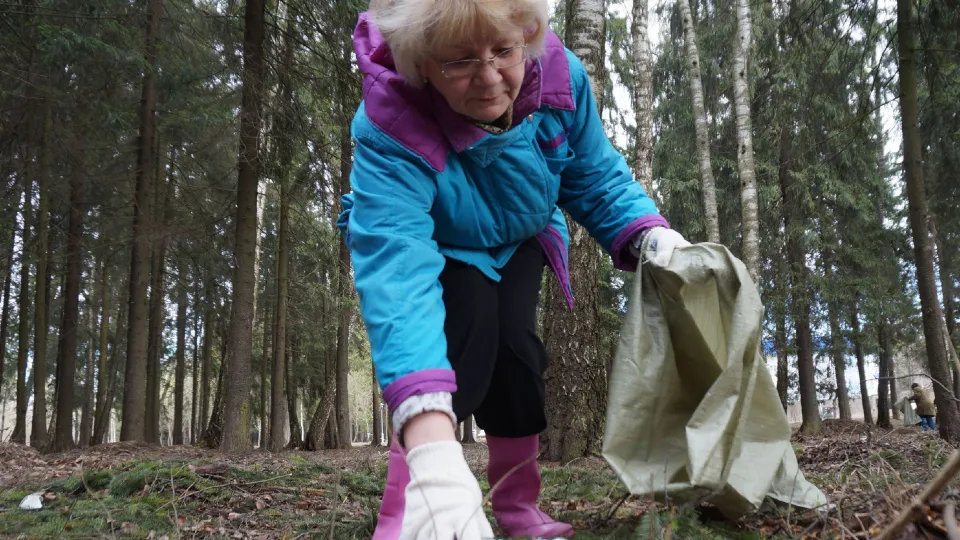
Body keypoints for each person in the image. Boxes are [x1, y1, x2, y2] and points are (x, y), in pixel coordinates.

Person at [337, 1, 689, 538]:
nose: (489, 77)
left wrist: (650, 235)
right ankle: (412, 505)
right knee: (465, 343)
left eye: (504, 50)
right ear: (421, 63)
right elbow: (399, 271)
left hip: (521, 234)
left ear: (526, 35)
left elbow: (594, 175)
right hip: (440, 241)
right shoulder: (391, 122)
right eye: (460, 61)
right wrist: (433, 452)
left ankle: (517, 504)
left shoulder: (559, 81)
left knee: (518, 358)